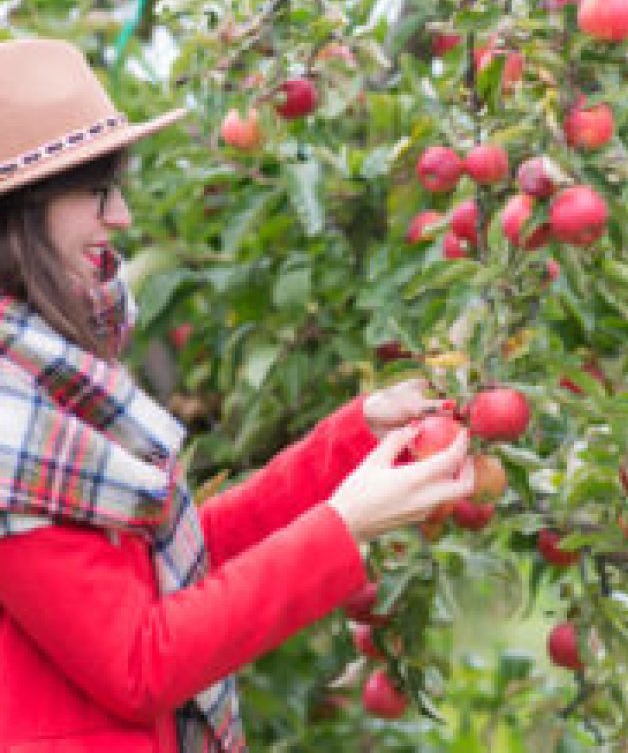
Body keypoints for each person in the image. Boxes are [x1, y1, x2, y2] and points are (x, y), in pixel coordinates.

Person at [0, 38, 474, 753]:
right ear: (21, 214)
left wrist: (351, 443)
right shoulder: (12, 418)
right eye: (98, 192)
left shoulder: (50, 379)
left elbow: (179, 558)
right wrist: (342, 530)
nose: (122, 216)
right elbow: (139, 664)